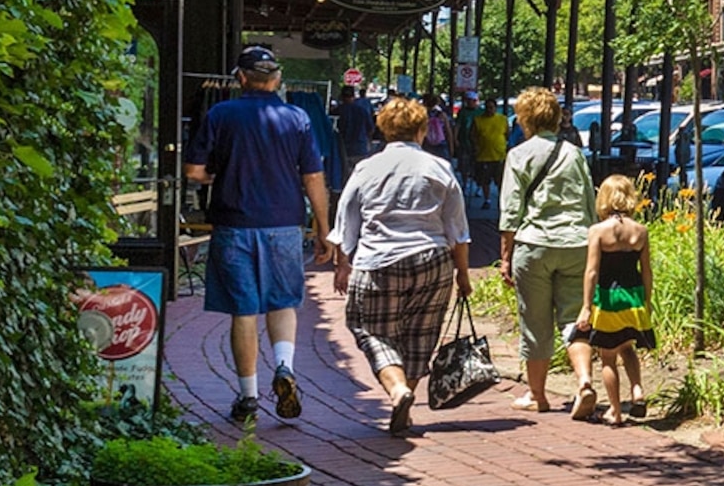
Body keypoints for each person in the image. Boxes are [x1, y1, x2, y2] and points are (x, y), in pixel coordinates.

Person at [185, 45, 336, 427]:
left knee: (244, 310)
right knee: (283, 302)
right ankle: (284, 367)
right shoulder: (297, 118)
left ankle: (248, 396)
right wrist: (323, 228)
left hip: (233, 224)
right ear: (277, 79)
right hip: (284, 224)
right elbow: (313, 178)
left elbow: (193, 171)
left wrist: (217, 176)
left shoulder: (220, 114)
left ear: (240, 78)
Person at [329, 95, 474, 436]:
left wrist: (342, 264)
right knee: (420, 335)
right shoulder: (438, 168)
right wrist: (463, 273)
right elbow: (458, 229)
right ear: (422, 130)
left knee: (370, 328)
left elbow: (347, 219)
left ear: (383, 129)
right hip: (433, 259)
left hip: (378, 260)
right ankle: (405, 406)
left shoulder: (367, 168)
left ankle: (397, 390)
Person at [497, 87, 594, 414]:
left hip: (534, 243)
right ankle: (584, 382)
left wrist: (506, 256)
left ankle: (537, 396)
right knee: (574, 319)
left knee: (535, 322)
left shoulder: (519, 155)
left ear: (524, 119)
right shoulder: (574, 153)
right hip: (576, 243)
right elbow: (589, 204)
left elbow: (511, 209)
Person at [576, 175, 657, 424]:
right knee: (628, 346)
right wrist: (647, 299)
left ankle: (615, 411)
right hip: (633, 296)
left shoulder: (598, 231)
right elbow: (646, 269)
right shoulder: (640, 231)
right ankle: (637, 391)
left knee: (608, 355)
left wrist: (586, 307)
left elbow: (592, 271)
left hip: (608, 298)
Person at [472, 101, 509, 185]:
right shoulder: (478, 120)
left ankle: (499, 197)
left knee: (500, 180)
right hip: (483, 155)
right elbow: (473, 135)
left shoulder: (503, 119)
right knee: (485, 180)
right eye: (487, 107)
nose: (489, 110)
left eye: (491, 107)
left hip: (499, 154)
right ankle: (487, 198)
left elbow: (507, 134)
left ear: (495, 108)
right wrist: (475, 146)